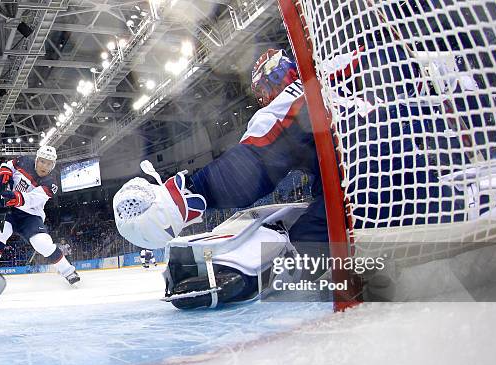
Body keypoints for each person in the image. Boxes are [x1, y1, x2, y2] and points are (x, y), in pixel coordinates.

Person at [113, 46, 468, 308]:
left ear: (269, 83)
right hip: (431, 179)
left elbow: (252, 166)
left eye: (262, 89)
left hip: (375, 186)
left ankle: (379, 291)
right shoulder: (339, 65)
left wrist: (185, 197)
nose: (263, 97)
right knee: (317, 203)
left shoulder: (289, 100)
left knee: (308, 238)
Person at [0, 145, 80, 285]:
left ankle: (68, 271)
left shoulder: (51, 183)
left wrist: (16, 197)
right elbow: (7, 165)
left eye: (48, 163)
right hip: (7, 208)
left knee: (42, 243)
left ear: (52, 166)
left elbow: (34, 199)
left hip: (30, 215)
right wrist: (4, 172)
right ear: (36, 160)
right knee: (0, 231)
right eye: (42, 161)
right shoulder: (23, 161)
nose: (44, 166)